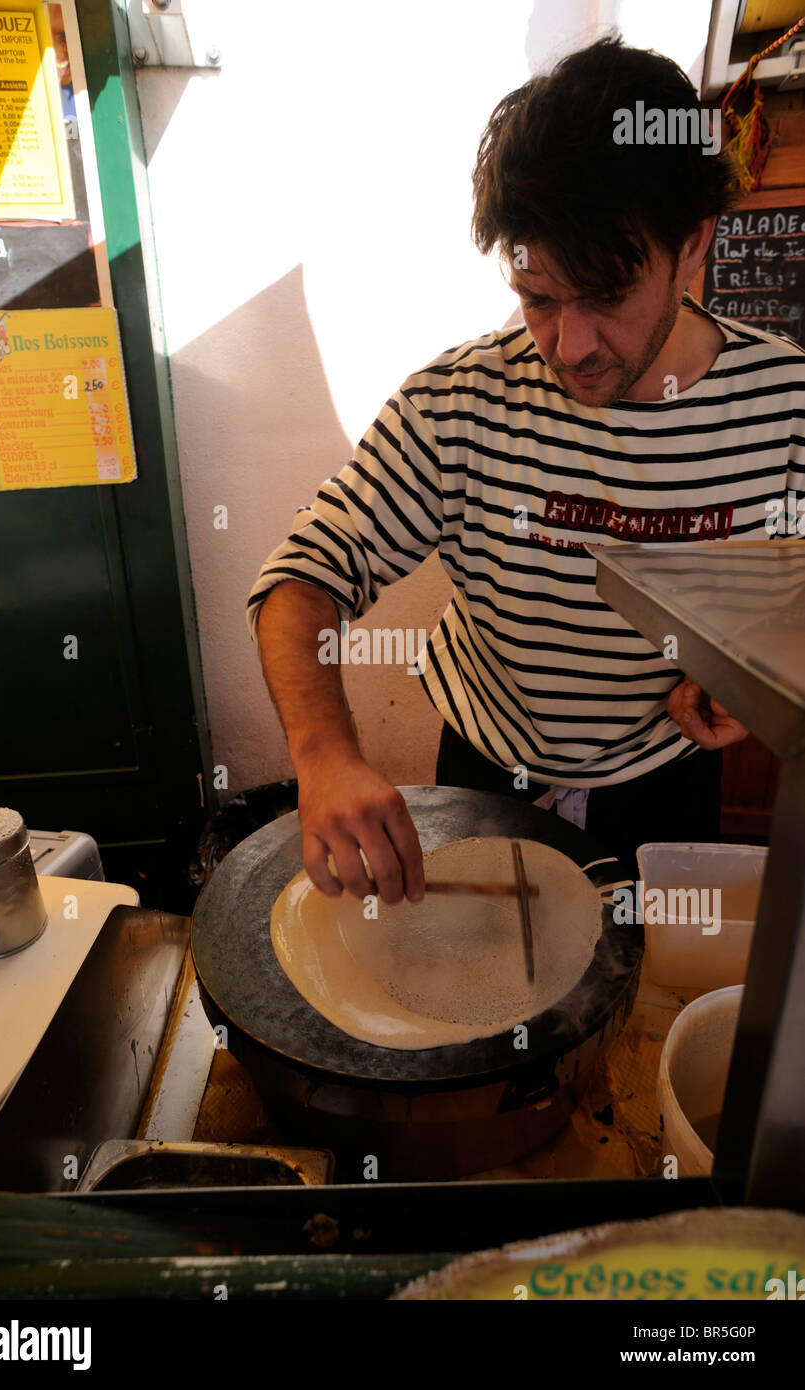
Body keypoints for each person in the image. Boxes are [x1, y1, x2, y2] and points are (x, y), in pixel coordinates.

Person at [248, 35, 805, 904]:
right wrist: (323, 757)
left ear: (693, 243)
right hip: (486, 773)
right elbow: (302, 576)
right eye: (538, 298)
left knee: (640, 1013)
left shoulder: (786, 406)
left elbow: (795, 593)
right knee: (485, 1001)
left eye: (607, 295)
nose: (568, 347)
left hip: (666, 779)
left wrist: (745, 671)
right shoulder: (459, 398)